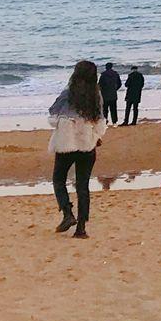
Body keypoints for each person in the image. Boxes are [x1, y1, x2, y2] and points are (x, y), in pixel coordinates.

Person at [49, 58, 106, 238]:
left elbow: (52, 115)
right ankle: (81, 229)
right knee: (83, 186)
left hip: (66, 142)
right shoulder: (96, 96)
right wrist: (95, 137)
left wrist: (65, 122)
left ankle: (67, 213)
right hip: (87, 144)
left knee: (58, 179)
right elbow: (100, 123)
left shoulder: (68, 93)